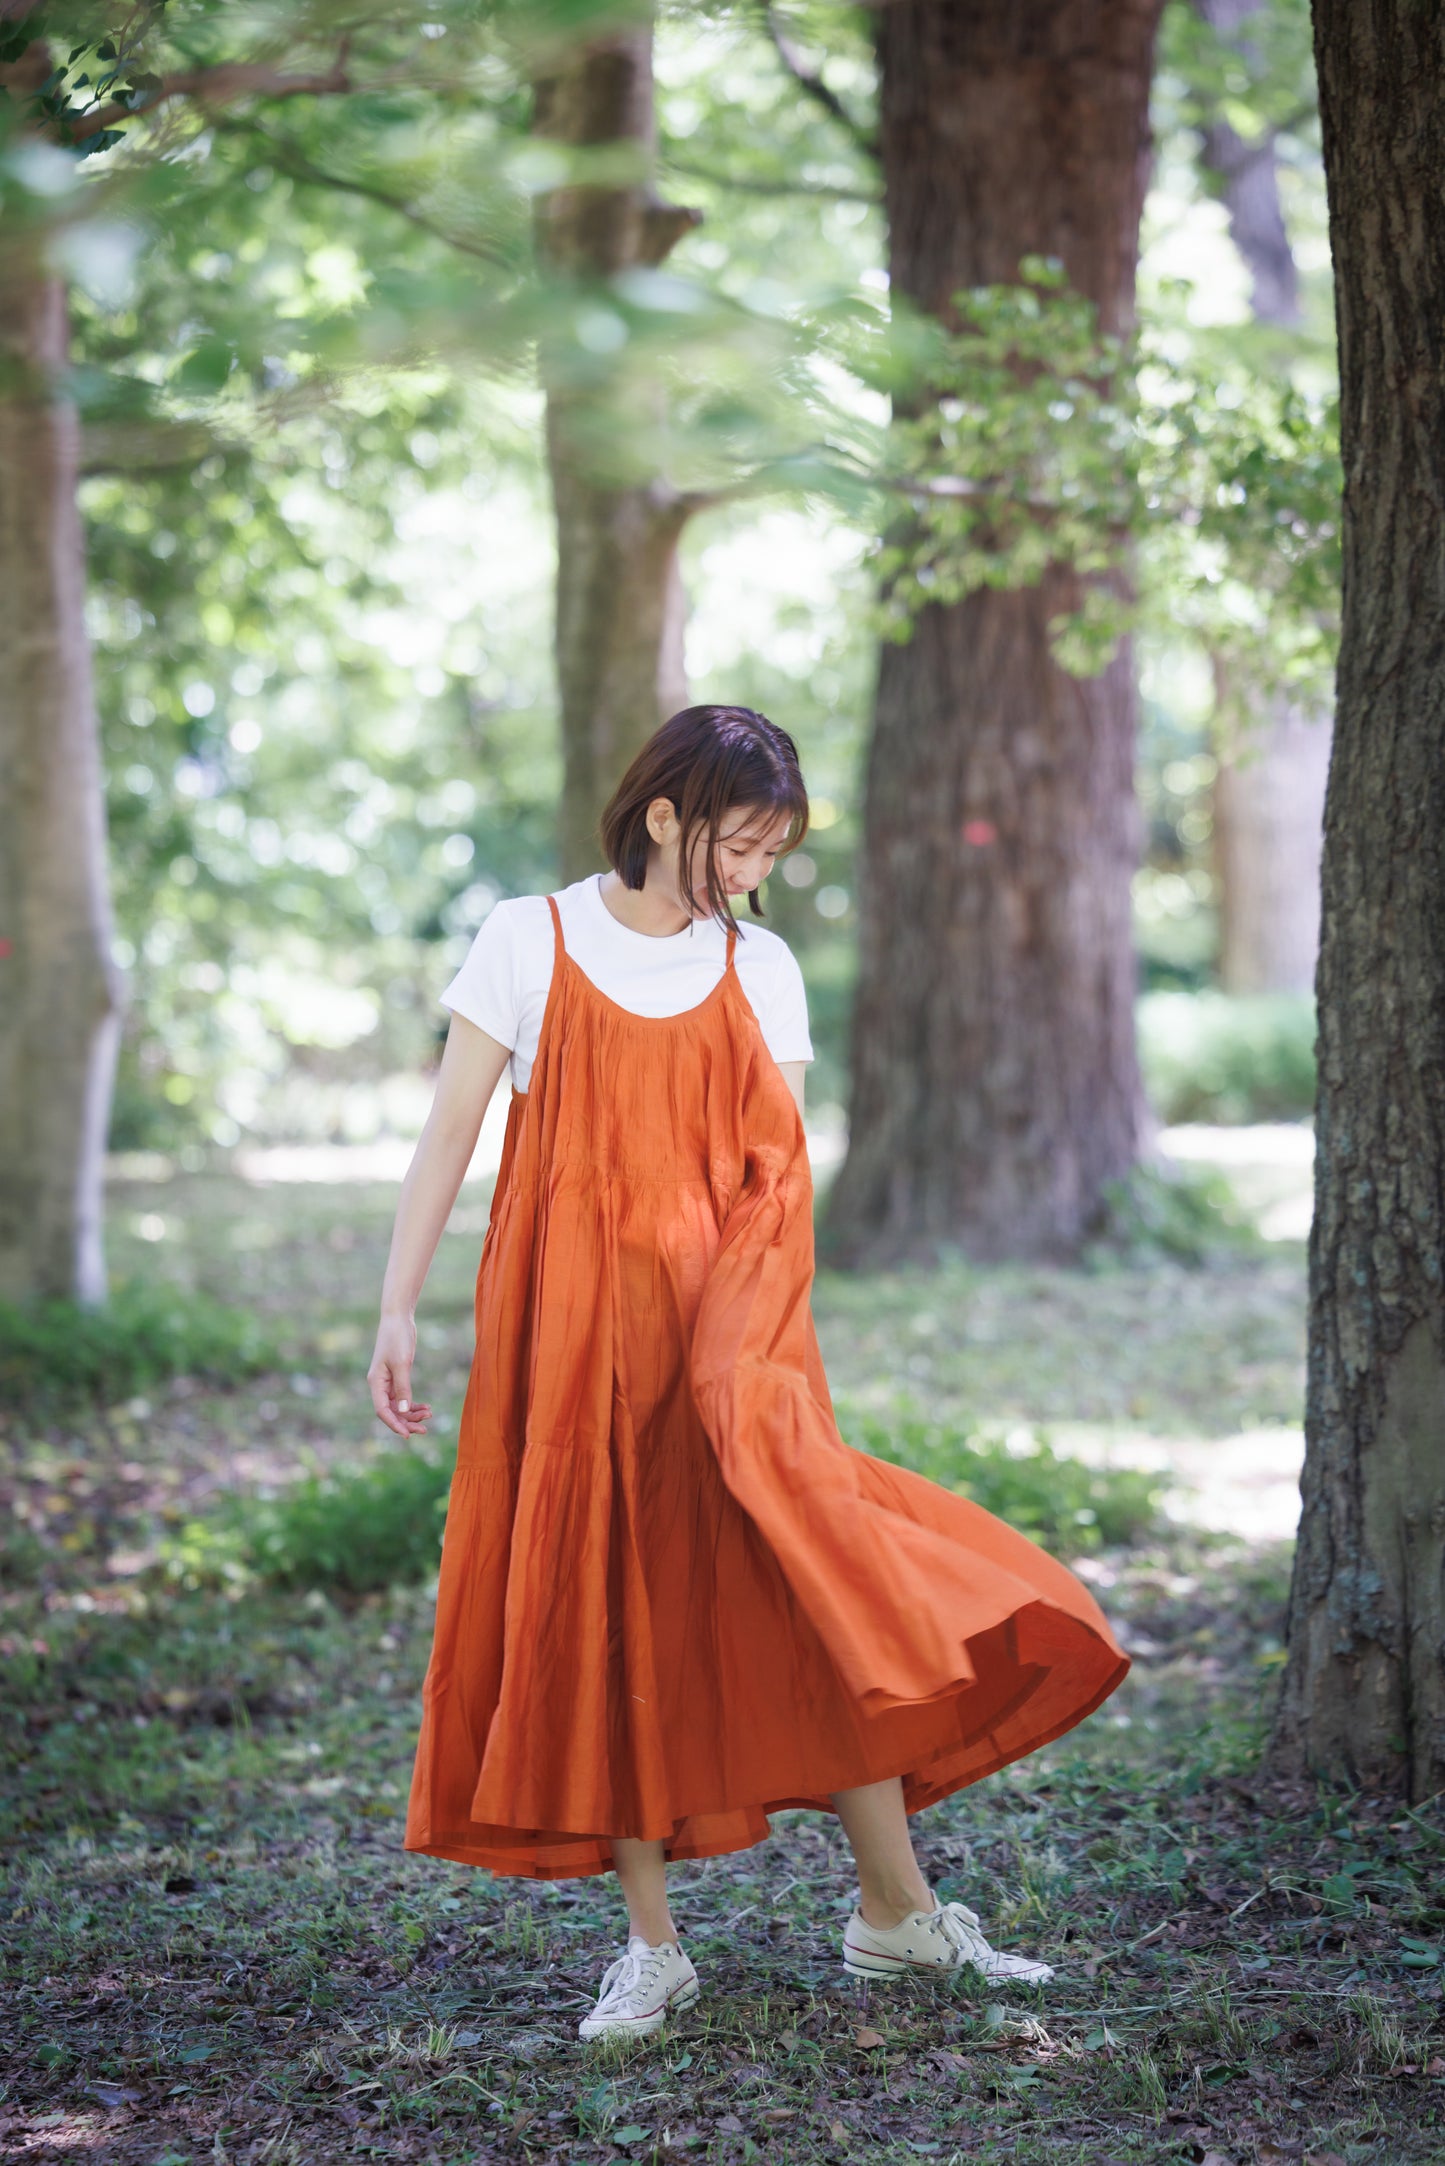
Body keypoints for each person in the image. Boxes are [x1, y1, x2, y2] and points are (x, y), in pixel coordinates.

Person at [370, 704, 1129, 2044]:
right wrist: (393, 1308)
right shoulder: (527, 939)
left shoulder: (756, 965)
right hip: (570, 1336)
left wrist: (744, 1355)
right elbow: (449, 1136)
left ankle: (897, 1911)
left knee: (811, 1575)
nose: (755, 872)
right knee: (602, 1597)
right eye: (739, 843)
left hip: (731, 1337)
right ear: (663, 814)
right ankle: (652, 1947)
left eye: (773, 851)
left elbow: (773, 1180)